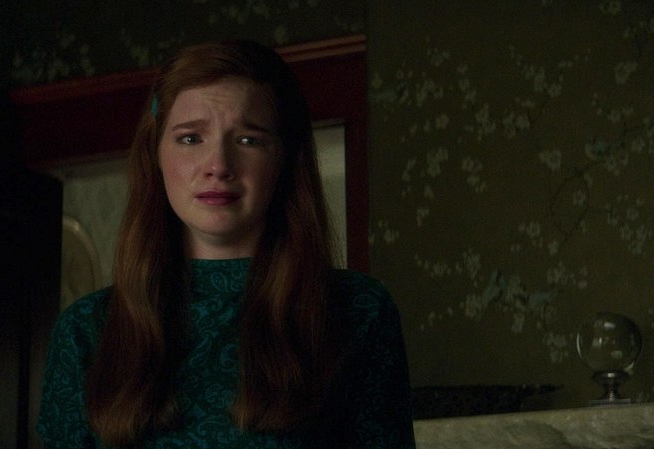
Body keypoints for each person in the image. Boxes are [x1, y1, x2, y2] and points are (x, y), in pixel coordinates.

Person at [37, 40, 416, 449]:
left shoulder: (357, 311)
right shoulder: (86, 329)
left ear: (284, 159)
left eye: (248, 140)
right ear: (155, 154)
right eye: (190, 138)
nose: (218, 166)